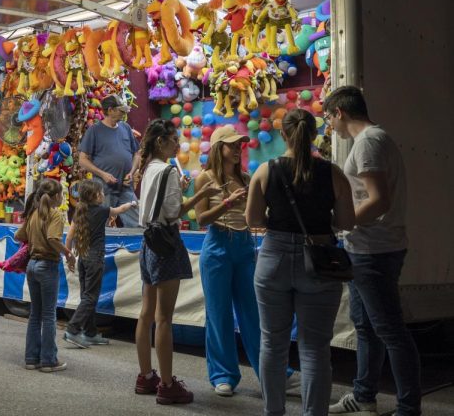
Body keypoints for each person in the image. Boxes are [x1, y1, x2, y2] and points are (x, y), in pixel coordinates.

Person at [246, 108, 355, 416]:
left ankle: (274, 412)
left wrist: (280, 222)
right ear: (314, 135)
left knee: (273, 344)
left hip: (273, 260)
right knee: (315, 348)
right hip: (320, 262)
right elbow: (348, 221)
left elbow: (253, 219)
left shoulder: (266, 171)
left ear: (283, 135)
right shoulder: (333, 173)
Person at [323, 87, 421, 416]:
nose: (331, 126)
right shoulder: (375, 140)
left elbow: (379, 199)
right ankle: (364, 395)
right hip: (368, 248)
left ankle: (408, 408)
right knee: (366, 327)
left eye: (330, 118)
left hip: (374, 251)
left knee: (390, 331)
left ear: (340, 113)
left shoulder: (367, 142)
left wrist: (340, 222)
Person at [134, 119, 219, 404]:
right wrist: (201, 195)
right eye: (174, 140)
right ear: (161, 142)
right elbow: (174, 213)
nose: (178, 146)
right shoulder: (168, 170)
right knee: (164, 318)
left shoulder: (148, 169)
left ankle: (146, 376)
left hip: (148, 242)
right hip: (166, 244)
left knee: (146, 314)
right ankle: (168, 384)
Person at [193, 125, 262, 397]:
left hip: (245, 246)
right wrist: (227, 204)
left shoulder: (247, 177)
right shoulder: (205, 178)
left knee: (253, 313)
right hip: (218, 245)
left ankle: (271, 372)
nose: (237, 149)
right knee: (218, 314)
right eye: (231, 145)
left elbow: (254, 216)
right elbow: (200, 219)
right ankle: (223, 375)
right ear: (218, 147)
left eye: (239, 145)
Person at [62, 179, 134, 349]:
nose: (103, 194)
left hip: (83, 258)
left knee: (86, 296)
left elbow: (70, 237)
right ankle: (73, 329)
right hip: (95, 259)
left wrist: (68, 256)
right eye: (100, 192)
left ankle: (90, 332)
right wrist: (131, 203)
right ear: (93, 196)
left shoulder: (80, 210)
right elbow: (119, 210)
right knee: (90, 297)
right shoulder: (101, 210)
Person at [15, 179, 73, 372]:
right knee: (49, 315)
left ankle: (31, 358)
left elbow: (18, 236)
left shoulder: (33, 213)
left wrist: (33, 237)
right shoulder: (55, 214)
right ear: (57, 196)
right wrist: (68, 253)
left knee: (35, 314)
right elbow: (53, 238)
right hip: (47, 265)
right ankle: (48, 360)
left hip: (32, 265)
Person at [78, 94, 140, 228]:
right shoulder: (94, 130)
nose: (124, 113)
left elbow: (137, 154)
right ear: (110, 110)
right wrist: (102, 174)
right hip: (103, 190)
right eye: (120, 110)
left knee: (137, 225)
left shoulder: (126, 128)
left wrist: (132, 172)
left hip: (125, 188)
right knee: (99, 227)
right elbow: (82, 160)